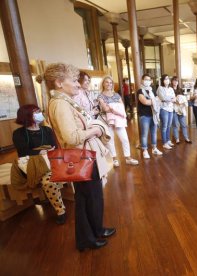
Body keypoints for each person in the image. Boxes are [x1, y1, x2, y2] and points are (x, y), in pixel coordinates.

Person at [42, 63, 115, 251]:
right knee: (89, 198)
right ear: (59, 83)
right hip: (81, 157)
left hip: (85, 156)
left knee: (91, 197)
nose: (77, 84)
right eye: (73, 80)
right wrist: (95, 130)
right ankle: (88, 239)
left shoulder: (64, 101)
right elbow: (71, 137)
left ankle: (96, 230)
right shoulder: (60, 104)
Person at [12, 104, 66, 225]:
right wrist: (39, 151)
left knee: (51, 178)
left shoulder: (47, 130)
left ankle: (59, 205)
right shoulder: (18, 133)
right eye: (35, 112)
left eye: (39, 111)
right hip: (33, 165)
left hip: (51, 160)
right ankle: (60, 210)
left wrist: (47, 151)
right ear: (27, 116)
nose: (39, 114)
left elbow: (54, 147)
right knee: (48, 181)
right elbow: (22, 151)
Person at [98, 76, 138, 167]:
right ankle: (114, 159)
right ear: (103, 84)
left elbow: (122, 106)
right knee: (110, 139)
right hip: (107, 120)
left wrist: (112, 107)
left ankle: (128, 158)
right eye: (107, 82)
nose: (109, 84)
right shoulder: (100, 95)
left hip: (119, 120)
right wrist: (115, 108)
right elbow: (105, 108)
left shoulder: (116, 94)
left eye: (110, 82)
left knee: (124, 138)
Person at [137, 74, 163, 159]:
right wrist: (154, 101)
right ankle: (145, 150)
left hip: (154, 115)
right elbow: (144, 102)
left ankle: (154, 148)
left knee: (154, 133)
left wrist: (154, 101)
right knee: (144, 134)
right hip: (144, 115)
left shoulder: (152, 90)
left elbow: (158, 100)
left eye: (149, 80)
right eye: (146, 79)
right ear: (142, 80)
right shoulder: (140, 91)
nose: (147, 81)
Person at [157, 74, 176, 149]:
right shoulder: (160, 88)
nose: (167, 80)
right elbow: (163, 98)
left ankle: (168, 140)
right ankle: (164, 142)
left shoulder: (171, 89)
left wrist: (170, 99)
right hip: (163, 109)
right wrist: (170, 99)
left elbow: (174, 98)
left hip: (170, 109)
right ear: (162, 80)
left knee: (169, 125)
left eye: (168, 79)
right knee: (164, 126)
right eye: (165, 79)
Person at [171, 76, 191, 144]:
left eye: (176, 81)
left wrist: (182, 101)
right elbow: (170, 99)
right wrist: (176, 101)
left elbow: (184, 98)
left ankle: (186, 138)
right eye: (174, 80)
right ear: (172, 81)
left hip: (181, 109)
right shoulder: (170, 89)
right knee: (175, 125)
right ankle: (177, 139)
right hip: (174, 109)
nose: (175, 82)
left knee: (184, 124)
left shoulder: (180, 89)